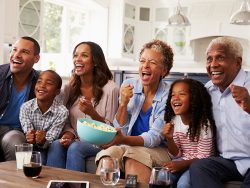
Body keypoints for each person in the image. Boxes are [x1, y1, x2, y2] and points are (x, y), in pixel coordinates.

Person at [95, 39, 174, 183]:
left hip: (158, 149)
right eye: (142, 61)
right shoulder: (128, 85)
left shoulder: (169, 95)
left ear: (164, 70)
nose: (145, 66)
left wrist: (122, 140)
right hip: (128, 144)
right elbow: (121, 130)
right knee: (108, 154)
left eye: (153, 62)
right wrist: (123, 104)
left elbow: (154, 138)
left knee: (135, 155)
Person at [46, 41, 119, 172]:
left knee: (76, 148)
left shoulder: (111, 89)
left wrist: (92, 113)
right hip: (76, 139)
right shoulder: (69, 88)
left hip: (101, 143)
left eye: (84, 55)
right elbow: (65, 119)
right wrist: (69, 134)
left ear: (95, 61)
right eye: (75, 55)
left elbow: (111, 130)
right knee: (56, 145)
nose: (77, 59)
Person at [190, 36, 250, 187]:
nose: (213, 65)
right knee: (199, 167)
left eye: (220, 58)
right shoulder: (207, 91)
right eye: (209, 59)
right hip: (226, 161)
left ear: (237, 62)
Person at [162, 78, 216, 188]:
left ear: (194, 99)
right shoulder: (174, 120)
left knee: (183, 184)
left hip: (200, 165)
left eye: (182, 94)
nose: (175, 98)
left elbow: (203, 158)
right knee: (161, 177)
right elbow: (177, 154)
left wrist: (182, 164)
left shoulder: (205, 125)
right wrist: (169, 138)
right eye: (173, 95)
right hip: (182, 160)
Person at [0, 36, 40, 161]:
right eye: (14, 50)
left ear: (36, 58)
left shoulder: (40, 82)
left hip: (15, 131)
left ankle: (16, 180)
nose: (16, 55)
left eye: (25, 52)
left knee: (16, 143)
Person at [19, 70, 69, 164]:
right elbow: (28, 132)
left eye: (49, 83)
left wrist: (43, 140)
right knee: (38, 157)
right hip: (32, 146)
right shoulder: (25, 107)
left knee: (53, 148)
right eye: (39, 81)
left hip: (50, 146)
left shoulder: (62, 112)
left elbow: (52, 138)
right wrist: (30, 136)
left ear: (57, 92)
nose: (42, 85)